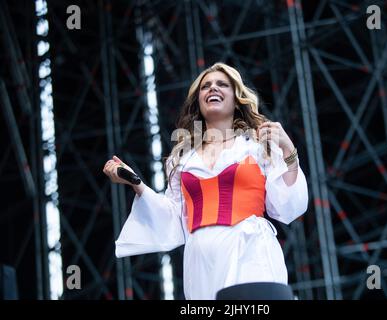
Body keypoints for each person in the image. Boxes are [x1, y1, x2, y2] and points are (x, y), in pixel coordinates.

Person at [103, 62, 308, 300]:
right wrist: (135, 182)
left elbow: (287, 206)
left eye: (222, 84)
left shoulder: (257, 147)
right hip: (200, 258)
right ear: (197, 100)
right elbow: (172, 218)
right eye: (206, 86)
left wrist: (288, 150)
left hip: (249, 248)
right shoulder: (182, 159)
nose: (213, 89)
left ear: (236, 98)